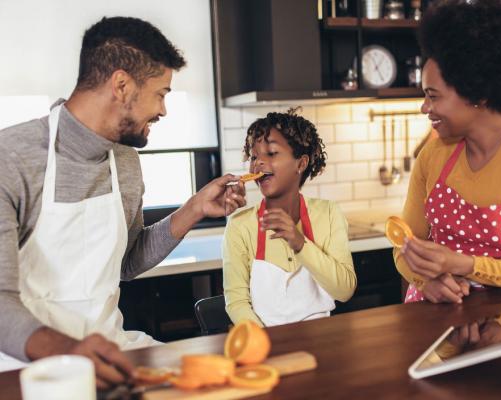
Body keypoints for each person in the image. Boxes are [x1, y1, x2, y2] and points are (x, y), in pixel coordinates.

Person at [0, 16, 246, 387]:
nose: (163, 110)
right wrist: (70, 353)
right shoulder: (11, 158)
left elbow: (126, 263)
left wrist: (194, 208)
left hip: (112, 352)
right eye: (161, 93)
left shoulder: (126, 163)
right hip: (24, 369)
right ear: (121, 85)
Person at [395, 0, 501, 304]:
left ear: (479, 93)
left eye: (433, 96)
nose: (425, 108)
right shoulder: (432, 155)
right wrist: (426, 282)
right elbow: (403, 247)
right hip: (435, 327)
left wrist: (464, 266)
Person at [222, 109, 357, 327]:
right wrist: (264, 342)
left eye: (272, 153)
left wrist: (299, 243)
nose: (258, 163)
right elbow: (236, 303)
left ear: (301, 164)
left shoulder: (330, 214)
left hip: (322, 341)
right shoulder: (240, 226)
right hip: (265, 345)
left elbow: (345, 291)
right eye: (254, 156)